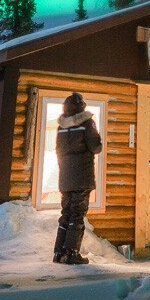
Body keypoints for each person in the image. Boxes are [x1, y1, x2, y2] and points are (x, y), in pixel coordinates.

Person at [53, 91, 103, 264]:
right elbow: (96, 147)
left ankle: (59, 253)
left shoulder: (61, 127)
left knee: (65, 213)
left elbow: (58, 150)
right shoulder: (87, 123)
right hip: (82, 177)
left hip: (65, 177)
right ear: (82, 107)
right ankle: (72, 253)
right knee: (77, 215)